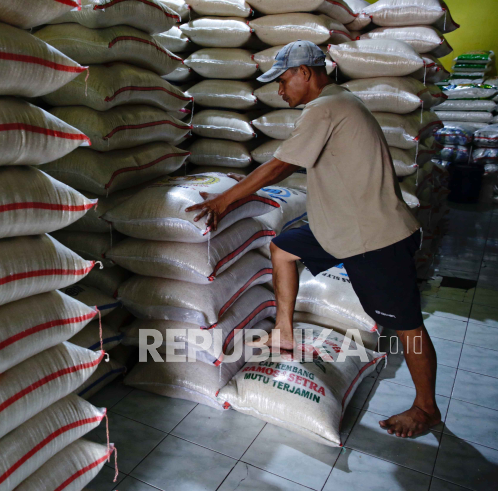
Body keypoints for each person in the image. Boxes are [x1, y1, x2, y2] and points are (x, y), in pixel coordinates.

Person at [186, 40, 440, 438]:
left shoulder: (326, 107)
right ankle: (284, 330)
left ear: (305, 72)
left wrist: (224, 201)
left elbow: (281, 164)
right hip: (339, 225)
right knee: (283, 247)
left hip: (373, 237)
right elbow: (288, 166)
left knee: (407, 326)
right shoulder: (339, 102)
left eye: (284, 80)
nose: (280, 91)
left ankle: (426, 408)